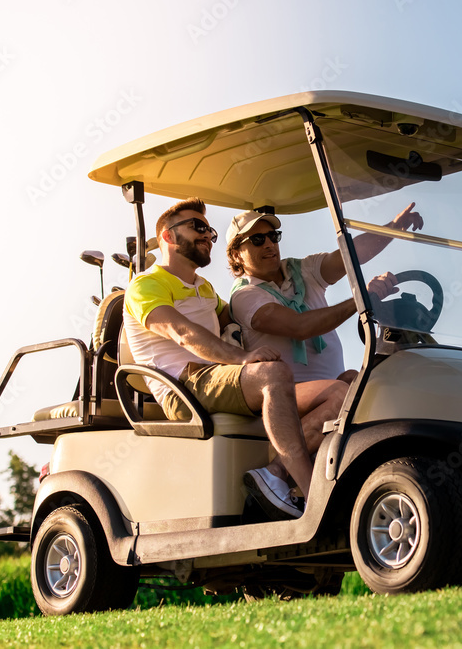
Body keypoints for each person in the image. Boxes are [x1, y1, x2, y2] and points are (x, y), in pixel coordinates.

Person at [122, 197, 348, 521]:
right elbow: (182, 332)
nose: (206, 235)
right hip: (184, 385)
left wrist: (286, 296)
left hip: (217, 381)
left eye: (209, 231)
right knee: (272, 374)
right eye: (197, 227)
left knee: (341, 391)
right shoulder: (146, 285)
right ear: (168, 237)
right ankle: (314, 496)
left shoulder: (204, 288)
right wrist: (244, 358)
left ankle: (277, 475)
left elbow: (239, 320)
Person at [226, 204, 424, 383]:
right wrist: (362, 298)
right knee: (347, 389)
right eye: (258, 239)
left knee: (377, 382)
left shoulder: (301, 269)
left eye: (273, 236)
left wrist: (394, 227)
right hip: (290, 400)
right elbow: (300, 326)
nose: (269, 244)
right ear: (236, 254)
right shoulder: (244, 295)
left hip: (337, 388)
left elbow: (351, 255)